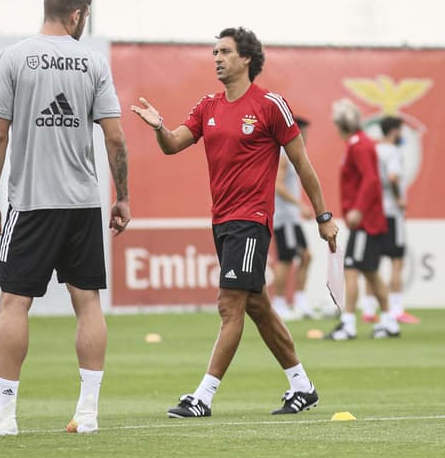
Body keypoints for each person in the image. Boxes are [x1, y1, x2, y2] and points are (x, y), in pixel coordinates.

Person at [130, 27, 338, 418]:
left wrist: (323, 216)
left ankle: (203, 397)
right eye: (214, 52)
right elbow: (175, 144)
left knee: (230, 305)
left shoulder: (270, 105)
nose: (217, 58)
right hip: (222, 220)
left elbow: (302, 165)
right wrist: (159, 127)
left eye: (225, 51)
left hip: (251, 220)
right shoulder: (207, 105)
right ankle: (302, 386)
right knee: (256, 305)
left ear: (246, 59)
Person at [0, 0, 131, 436]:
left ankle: (5, 416)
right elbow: (114, 135)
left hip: (32, 203)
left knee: (14, 303)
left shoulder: (15, 57)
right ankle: (89, 414)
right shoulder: (93, 62)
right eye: (86, 16)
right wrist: (123, 196)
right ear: (76, 15)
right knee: (88, 302)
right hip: (81, 203)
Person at [326, 100, 401, 340]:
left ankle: (348, 324)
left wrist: (358, 209)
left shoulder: (358, 145)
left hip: (365, 221)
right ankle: (389, 322)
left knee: (351, 268)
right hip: (368, 219)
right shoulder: (360, 144)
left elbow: (371, 180)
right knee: (370, 271)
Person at [271, 116, 316, 321]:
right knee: (286, 258)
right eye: (303, 132)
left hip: (292, 218)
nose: (305, 137)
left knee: (306, 256)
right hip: (285, 217)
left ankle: (300, 300)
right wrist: (299, 205)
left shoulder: (293, 153)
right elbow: (277, 185)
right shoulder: (283, 154)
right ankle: (279, 303)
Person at [376, 116, 420, 325]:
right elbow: (393, 178)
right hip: (392, 212)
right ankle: (396, 309)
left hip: (376, 212)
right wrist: (398, 199)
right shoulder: (392, 152)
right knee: (397, 261)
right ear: (393, 131)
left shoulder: (375, 150)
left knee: (373, 262)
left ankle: (369, 308)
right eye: (400, 130)